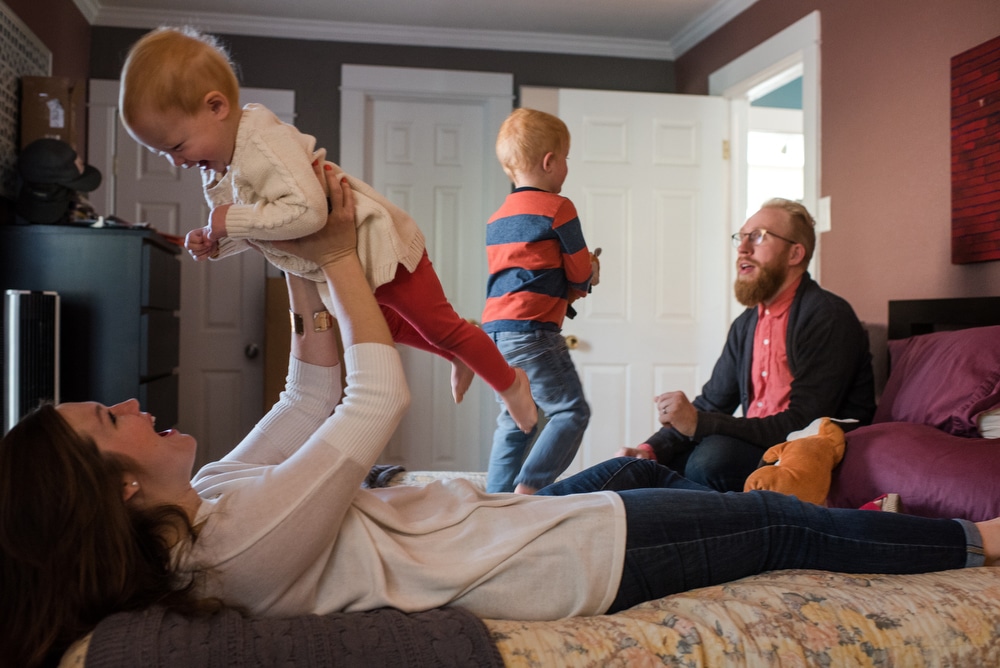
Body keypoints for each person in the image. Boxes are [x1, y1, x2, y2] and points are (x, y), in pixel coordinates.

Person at [4, 167, 999, 668]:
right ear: (121, 487)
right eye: (109, 417)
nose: (131, 403)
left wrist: (294, 260)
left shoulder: (210, 502)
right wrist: (345, 254)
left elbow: (304, 393)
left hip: (519, 523)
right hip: (560, 559)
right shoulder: (233, 541)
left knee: (662, 467)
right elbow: (369, 396)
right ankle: (970, 535)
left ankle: (666, 460)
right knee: (779, 522)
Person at [117, 26, 536, 433]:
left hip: (380, 247)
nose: (176, 162)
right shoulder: (219, 170)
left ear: (216, 107)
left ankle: (510, 383)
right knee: (393, 329)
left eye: (176, 147)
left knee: (440, 327)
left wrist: (230, 220)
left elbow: (309, 213)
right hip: (345, 266)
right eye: (162, 153)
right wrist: (217, 241)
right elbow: (267, 226)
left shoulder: (262, 142)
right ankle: (462, 350)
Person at [617, 198, 876, 492]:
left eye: (759, 236)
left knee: (710, 459)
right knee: (644, 470)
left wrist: (701, 424)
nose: (743, 248)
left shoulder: (827, 315)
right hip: (761, 445)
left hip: (805, 448)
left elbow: (806, 421)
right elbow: (713, 402)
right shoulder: (746, 324)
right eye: (741, 237)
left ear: (794, 253)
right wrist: (651, 450)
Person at [482, 108, 601, 494]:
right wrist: (591, 271)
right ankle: (530, 488)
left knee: (517, 417)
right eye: (565, 158)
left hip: (496, 332)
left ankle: (496, 497)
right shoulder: (558, 208)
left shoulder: (498, 216)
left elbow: (522, 273)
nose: (567, 167)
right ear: (550, 162)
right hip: (533, 331)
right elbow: (579, 273)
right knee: (570, 411)